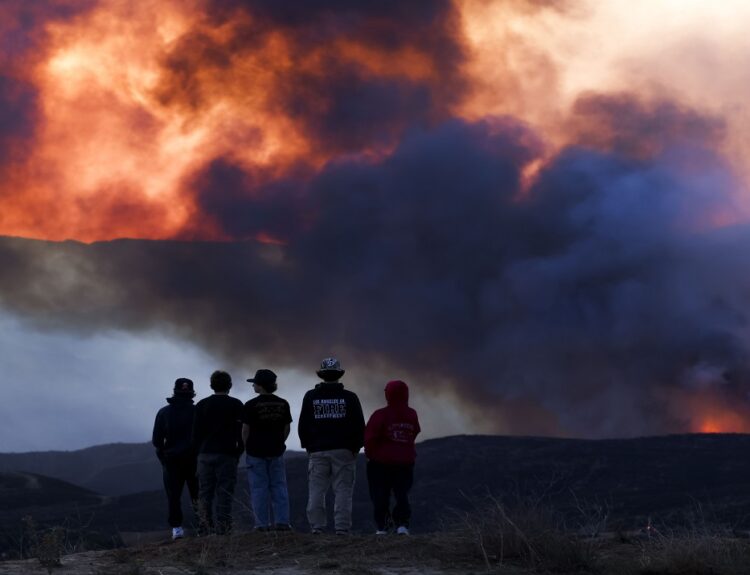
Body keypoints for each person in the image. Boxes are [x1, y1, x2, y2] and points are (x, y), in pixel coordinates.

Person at [298, 357, 365, 534]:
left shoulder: (311, 396)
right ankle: (342, 528)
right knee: (343, 490)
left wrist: (308, 447)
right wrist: (355, 448)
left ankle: (317, 527)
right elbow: (359, 425)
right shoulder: (350, 397)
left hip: (318, 451)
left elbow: (303, 423)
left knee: (316, 490)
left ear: (322, 375)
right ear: (339, 375)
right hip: (344, 450)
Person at [364, 380, 421, 535]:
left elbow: (369, 438)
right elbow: (415, 431)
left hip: (380, 464)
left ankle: (383, 527)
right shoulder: (412, 414)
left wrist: (371, 456)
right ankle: (402, 525)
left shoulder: (380, 415)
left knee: (379, 495)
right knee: (402, 494)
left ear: (388, 394)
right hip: (405, 463)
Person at [192, 370, 244, 535]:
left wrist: (197, 455)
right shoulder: (236, 405)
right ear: (229, 385)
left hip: (205, 454)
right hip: (227, 454)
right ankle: (224, 528)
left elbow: (195, 434)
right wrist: (238, 453)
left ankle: (204, 527)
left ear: (211, 385)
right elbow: (241, 432)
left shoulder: (201, 405)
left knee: (205, 492)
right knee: (225, 491)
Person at [242, 369, 293, 531]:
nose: (253, 386)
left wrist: (246, 446)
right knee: (279, 487)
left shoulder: (250, 405)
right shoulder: (283, 403)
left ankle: (262, 524)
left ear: (261, 386)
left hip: (255, 452)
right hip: (276, 451)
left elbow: (245, 430)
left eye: (255, 383)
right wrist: (279, 442)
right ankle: (282, 522)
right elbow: (286, 428)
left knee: (259, 489)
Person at [152, 377, 199, 540]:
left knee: (173, 496)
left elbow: (156, 440)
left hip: (172, 461)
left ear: (175, 390)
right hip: (195, 460)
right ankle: (203, 526)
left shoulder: (164, 412)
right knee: (198, 495)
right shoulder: (198, 412)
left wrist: (164, 457)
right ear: (192, 392)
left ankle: (177, 529)